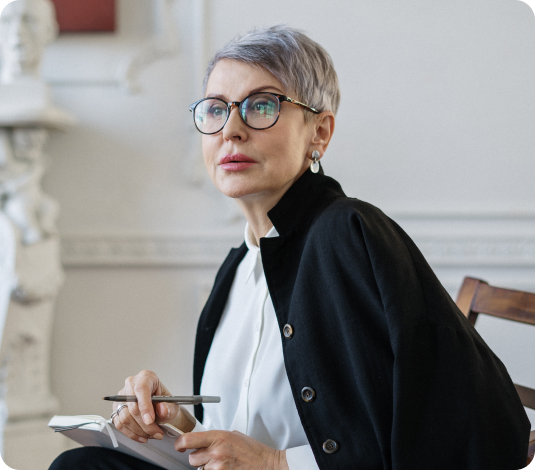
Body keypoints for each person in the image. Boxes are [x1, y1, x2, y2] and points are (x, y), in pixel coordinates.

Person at [50, 25, 530, 470]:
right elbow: (243, 436)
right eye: (216, 109)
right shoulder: (238, 265)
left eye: (261, 106)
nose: (230, 130)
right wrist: (173, 420)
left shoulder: (347, 233)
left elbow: (454, 431)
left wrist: (278, 464)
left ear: (319, 132)